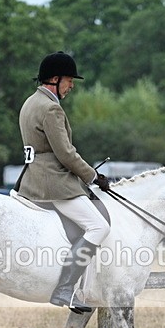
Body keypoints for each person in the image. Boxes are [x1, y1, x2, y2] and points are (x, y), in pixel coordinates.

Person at [16, 51, 111, 313]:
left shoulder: (30, 102)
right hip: (53, 182)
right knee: (98, 227)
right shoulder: (51, 108)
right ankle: (64, 289)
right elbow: (66, 153)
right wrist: (93, 176)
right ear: (55, 79)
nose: (71, 86)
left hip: (31, 178)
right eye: (69, 80)